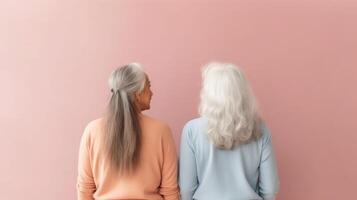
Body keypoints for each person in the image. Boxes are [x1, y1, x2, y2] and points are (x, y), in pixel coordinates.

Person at [77, 63, 179, 200]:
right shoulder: (161, 131)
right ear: (137, 93)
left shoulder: (92, 130)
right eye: (149, 86)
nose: (152, 92)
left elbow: (85, 189)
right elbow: (170, 191)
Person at [179, 62, 279, 200]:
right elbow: (269, 189)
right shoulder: (260, 129)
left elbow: (186, 188)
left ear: (209, 94)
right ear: (243, 92)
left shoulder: (191, 130)